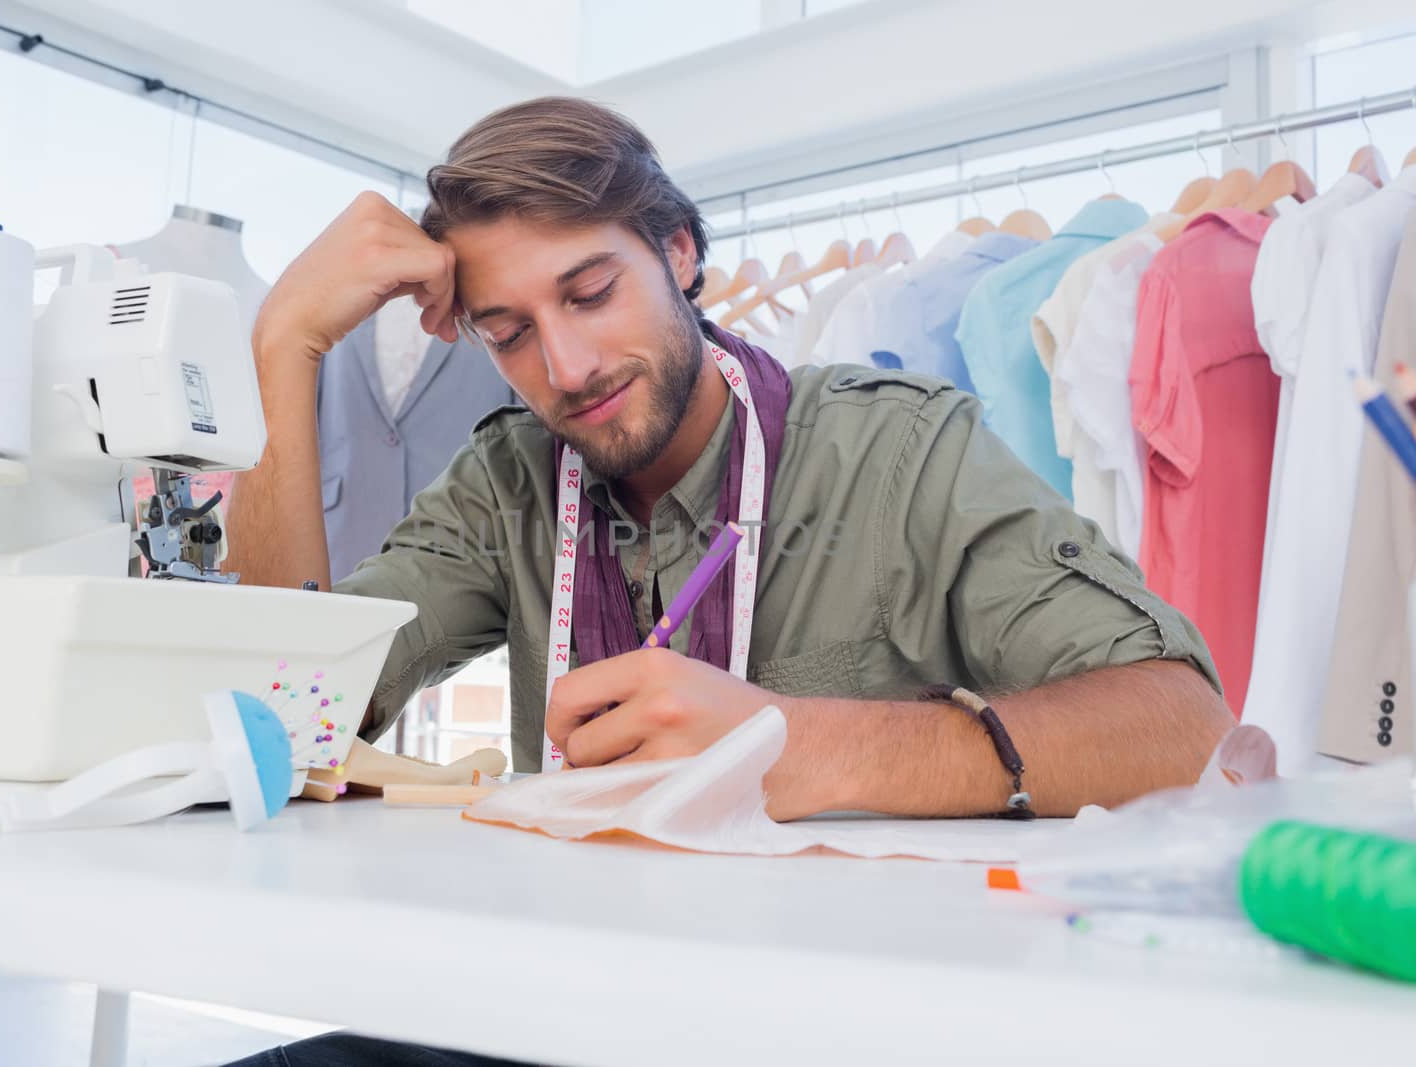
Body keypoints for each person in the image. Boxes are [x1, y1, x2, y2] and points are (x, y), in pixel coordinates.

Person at [222, 94, 1232, 1067]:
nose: (566, 367)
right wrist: (285, 345)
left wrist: (807, 746)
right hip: (564, 1011)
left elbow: (1182, 725)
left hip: (841, 1030)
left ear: (678, 252)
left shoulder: (903, 447)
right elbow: (288, 710)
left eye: (589, 292)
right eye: (511, 332)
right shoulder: (506, 480)